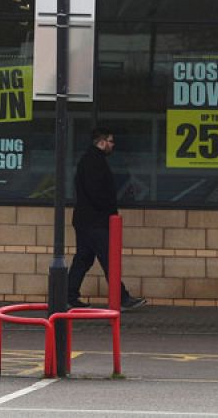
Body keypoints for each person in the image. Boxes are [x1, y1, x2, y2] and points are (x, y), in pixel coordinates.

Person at [67, 127, 147, 310]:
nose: (113, 145)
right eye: (110, 141)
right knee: (108, 259)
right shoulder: (95, 162)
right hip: (96, 221)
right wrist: (109, 210)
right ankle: (122, 298)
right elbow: (97, 192)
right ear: (101, 142)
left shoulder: (90, 160)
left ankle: (69, 295)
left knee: (84, 258)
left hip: (86, 219)